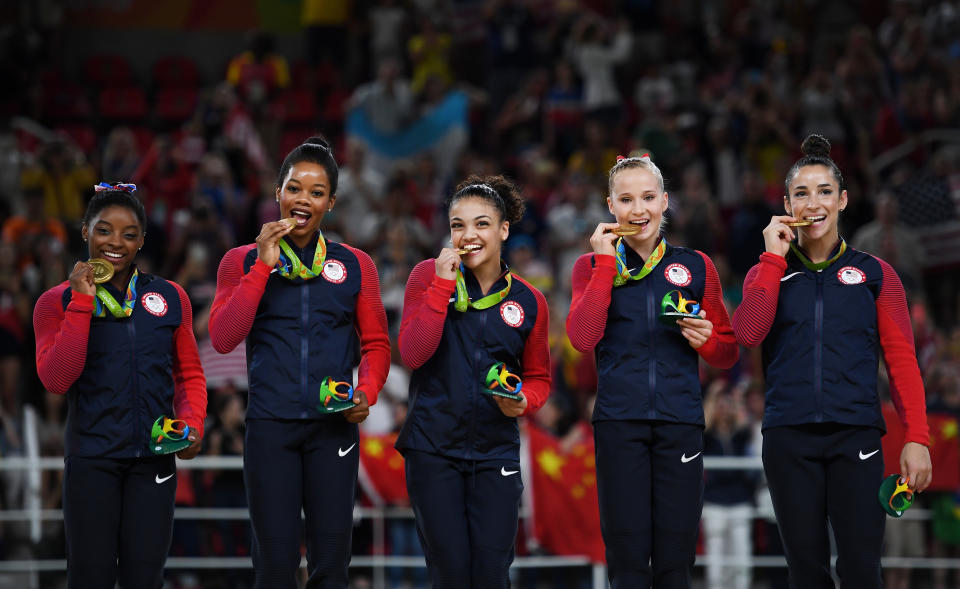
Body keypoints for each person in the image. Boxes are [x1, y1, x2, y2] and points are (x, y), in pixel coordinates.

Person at [732, 134, 933, 588]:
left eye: (825, 191)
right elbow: (747, 333)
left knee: (862, 569)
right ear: (786, 203)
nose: (813, 202)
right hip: (788, 438)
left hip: (856, 436)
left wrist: (917, 437)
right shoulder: (767, 271)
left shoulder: (877, 274)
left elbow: (902, 362)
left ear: (842, 200)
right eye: (801, 193)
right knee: (806, 573)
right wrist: (771, 259)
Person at [208, 136, 390, 589]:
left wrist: (365, 394)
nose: (302, 199)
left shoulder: (355, 265)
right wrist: (262, 268)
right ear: (278, 193)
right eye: (294, 188)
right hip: (271, 427)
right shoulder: (241, 260)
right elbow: (224, 337)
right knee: (274, 565)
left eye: (315, 192)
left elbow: (377, 346)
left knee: (331, 566)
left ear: (330, 201)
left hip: (333, 430)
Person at [565, 154, 739, 588]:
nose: (637, 210)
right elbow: (582, 340)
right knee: (626, 563)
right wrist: (606, 264)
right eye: (626, 199)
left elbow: (728, 352)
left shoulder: (696, 266)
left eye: (647, 198)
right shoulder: (589, 267)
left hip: (679, 422)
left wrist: (709, 342)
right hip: (618, 424)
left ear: (666, 201)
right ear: (610, 205)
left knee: (675, 562)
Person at [33, 182, 206, 589]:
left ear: (142, 240)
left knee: (145, 580)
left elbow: (189, 376)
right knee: (90, 579)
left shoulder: (171, 297)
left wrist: (193, 423)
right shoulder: (54, 302)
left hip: (154, 461)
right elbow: (57, 379)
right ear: (85, 232)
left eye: (129, 234)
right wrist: (81, 302)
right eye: (104, 230)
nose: (116, 242)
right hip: (92, 462)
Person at [397, 175, 551, 588]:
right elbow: (413, 354)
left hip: (495, 451)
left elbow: (538, 378)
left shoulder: (529, 300)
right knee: (449, 575)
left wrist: (524, 401)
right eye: (458, 225)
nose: (469, 235)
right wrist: (442, 287)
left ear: (503, 230)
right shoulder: (427, 277)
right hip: (433, 448)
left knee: (491, 575)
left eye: (482, 224)